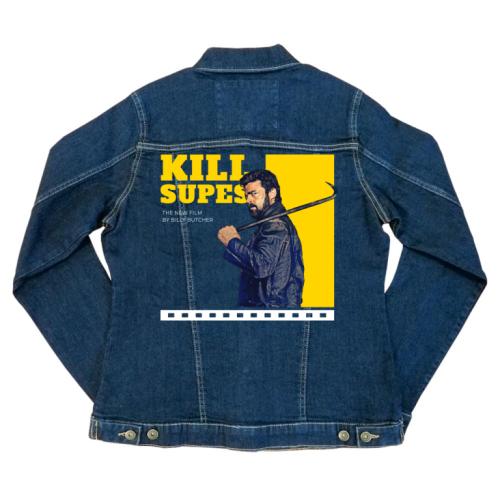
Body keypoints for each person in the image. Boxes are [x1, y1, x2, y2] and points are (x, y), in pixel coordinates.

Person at [217, 169, 304, 308]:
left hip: (272, 311)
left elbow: (261, 266)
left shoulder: (276, 226)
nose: (248, 200)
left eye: (254, 193)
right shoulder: (271, 223)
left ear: (272, 193)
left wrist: (232, 242)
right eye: (246, 195)